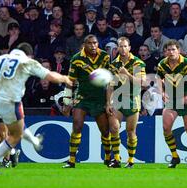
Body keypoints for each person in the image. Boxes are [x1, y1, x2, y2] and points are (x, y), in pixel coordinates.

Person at [0, 42, 73, 174]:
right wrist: (65, 78)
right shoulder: (27, 62)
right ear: (29, 55)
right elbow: (51, 76)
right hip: (11, 101)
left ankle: (34, 141)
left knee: (17, 128)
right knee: (14, 135)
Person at [62, 35, 112, 168]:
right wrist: (67, 101)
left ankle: (108, 158)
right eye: (90, 43)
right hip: (82, 97)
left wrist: (108, 102)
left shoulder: (105, 57)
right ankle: (71, 160)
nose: (93, 46)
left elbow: (110, 81)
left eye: (95, 43)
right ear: (84, 45)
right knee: (77, 126)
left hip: (99, 98)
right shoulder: (76, 59)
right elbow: (70, 81)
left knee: (105, 131)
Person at [156, 39, 187, 168]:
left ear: (179, 51)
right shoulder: (162, 64)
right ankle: (175, 157)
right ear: (165, 52)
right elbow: (158, 78)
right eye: (168, 50)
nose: (171, 52)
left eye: (173, 49)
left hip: (186, 100)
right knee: (166, 129)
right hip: (171, 100)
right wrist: (162, 92)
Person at [106, 37, 146, 168]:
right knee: (114, 128)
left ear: (129, 48)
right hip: (117, 99)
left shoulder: (138, 63)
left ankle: (131, 160)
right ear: (117, 48)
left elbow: (142, 83)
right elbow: (110, 86)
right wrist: (108, 102)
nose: (122, 49)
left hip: (133, 100)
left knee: (130, 131)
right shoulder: (113, 65)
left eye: (125, 46)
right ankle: (116, 159)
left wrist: (127, 73)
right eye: (120, 46)